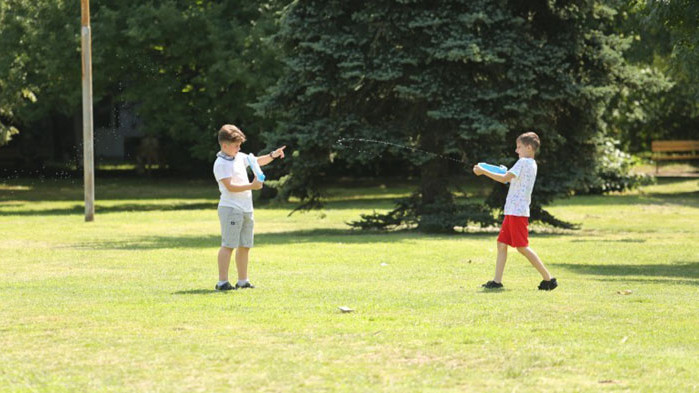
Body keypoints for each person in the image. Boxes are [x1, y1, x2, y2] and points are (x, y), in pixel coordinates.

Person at [473, 132, 558, 291]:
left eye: (519, 147)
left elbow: (504, 179)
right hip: (514, 211)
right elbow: (510, 177)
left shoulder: (522, 162)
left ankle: (549, 279)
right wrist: (504, 171)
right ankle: (497, 281)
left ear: (529, 147)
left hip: (516, 212)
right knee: (501, 243)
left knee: (522, 247)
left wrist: (483, 171)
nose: (516, 150)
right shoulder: (531, 164)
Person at [213, 124, 286, 291]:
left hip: (246, 208)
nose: (239, 149)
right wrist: (251, 186)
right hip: (231, 209)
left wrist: (273, 155)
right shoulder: (220, 163)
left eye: (240, 145)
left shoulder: (238, 156)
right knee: (229, 245)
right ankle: (222, 282)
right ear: (225, 146)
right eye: (236, 145)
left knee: (245, 245)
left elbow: (257, 161)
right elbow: (230, 186)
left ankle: (243, 281)